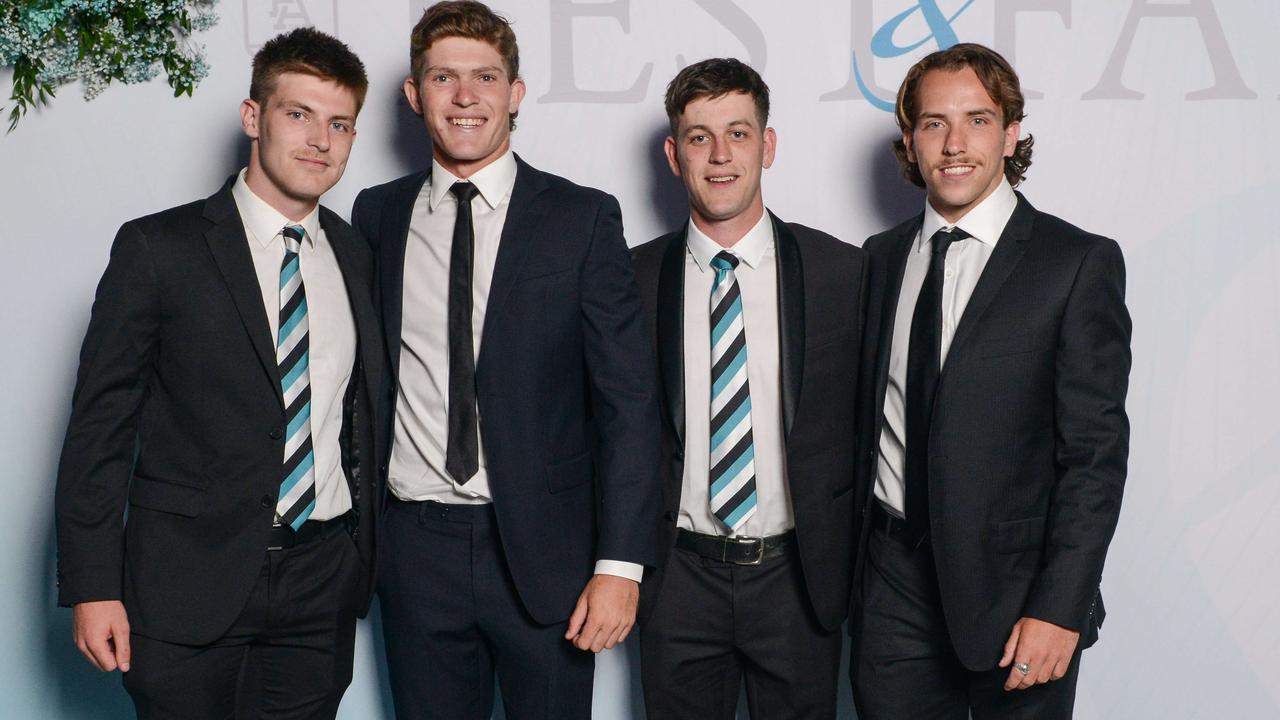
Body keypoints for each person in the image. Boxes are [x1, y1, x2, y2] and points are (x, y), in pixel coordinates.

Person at [54, 27, 380, 719]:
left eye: (340, 123)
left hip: (320, 586)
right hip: (184, 585)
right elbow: (99, 431)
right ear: (253, 117)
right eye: (299, 114)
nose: (320, 139)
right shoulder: (158, 248)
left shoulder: (356, 255)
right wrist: (92, 584)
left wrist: (356, 559)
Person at [350, 2, 662, 718]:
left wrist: (620, 564)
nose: (466, 97)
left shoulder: (581, 218)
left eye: (486, 77)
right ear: (413, 94)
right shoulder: (377, 215)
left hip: (544, 553)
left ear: (515, 94)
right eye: (444, 78)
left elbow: (628, 403)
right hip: (414, 549)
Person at [850, 43, 1132, 719]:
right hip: (890, 591)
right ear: (911, 141)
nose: (954, 144)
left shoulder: (1075, 264)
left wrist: (1060, 607)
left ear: (1010, 134)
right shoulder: (878, 259)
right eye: (933, 123)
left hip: (1018, 597)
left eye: (976, 120)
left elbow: (1094, 457)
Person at [630, 58, 867, 720]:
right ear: (675, 156)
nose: (720, 155)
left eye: (738, 132)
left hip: (798, 577)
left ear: (767, 145)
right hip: (675, 577)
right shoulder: (631, 280)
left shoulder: (842, 273)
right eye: (700, 137)